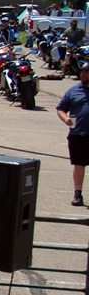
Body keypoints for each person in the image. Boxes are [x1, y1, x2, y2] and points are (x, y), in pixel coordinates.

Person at [56, 60, 89, 206]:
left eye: (87, 72)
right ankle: (78, 194)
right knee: (78, 165)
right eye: (83, 71)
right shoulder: (73, 91)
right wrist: (65, 119)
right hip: (78, 134)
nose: (84, 74)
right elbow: (61, 108)